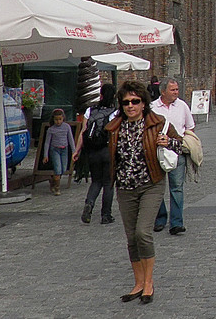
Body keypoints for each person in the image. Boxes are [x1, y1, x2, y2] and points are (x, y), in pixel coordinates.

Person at [107, 81, 181, 305]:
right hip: (125, 187)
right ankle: (138, 283)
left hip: (151, 183)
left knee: (142, 233)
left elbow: (181, 144)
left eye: (135, 101)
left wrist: (168, 142)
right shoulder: (114, 126)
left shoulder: (157, 123)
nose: (130, 106)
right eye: (126, 102)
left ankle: (149, 282)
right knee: (131, 238)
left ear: (143, 103)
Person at [151, 78, 194, 236]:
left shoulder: (182, 106)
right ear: (163, 91)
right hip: (158, 152)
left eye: (177, 89)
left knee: (176, 188)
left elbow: (190, 127)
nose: (176, 92)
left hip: (177, 151)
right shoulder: (152, 107)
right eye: (173, 90)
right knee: (157, 187)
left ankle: (176, 222)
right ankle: (160, 218)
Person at [73, 83, 117, 224]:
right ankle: (106, 215)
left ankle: (90, 203)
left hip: (92, 151)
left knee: (96, 181)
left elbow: (83, 132)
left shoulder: (90, 110)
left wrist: (77, 150)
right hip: (107, 150)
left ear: (101, 95)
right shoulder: (115, 112)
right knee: (108, 183)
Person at [42, 108, 76, 195]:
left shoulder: (67, 127)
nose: (58, 121)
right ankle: (57, 188)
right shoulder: (51, 129)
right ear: (53, 119)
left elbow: (71, 139)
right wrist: (45, 155)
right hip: (55, 149)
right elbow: (47, 143)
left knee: (63, 168)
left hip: (64, 149)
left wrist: (74, 151)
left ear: (63, 118)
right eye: (56, 119)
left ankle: (53, 180)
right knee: (57, 168)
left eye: (60, 119)